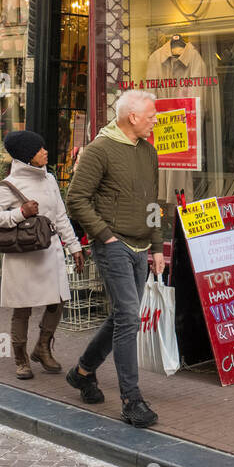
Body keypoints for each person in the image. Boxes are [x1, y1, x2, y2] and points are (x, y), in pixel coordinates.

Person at [65, 90, 164, 428]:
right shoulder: (99, 150)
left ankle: (82, 372)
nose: (155, 120)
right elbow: (76, 198)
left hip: (140, 245)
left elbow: (153, 203)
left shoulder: (149, 152)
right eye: (151, 116)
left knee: (125, 315)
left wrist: (158, 247)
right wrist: (104, 235)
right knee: (127, 317)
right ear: (132, 117)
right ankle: (131, 401)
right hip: (114, 244)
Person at [0, 131, 85, 380]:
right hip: (22, 255)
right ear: (28, 155)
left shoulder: (49, 179)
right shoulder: (11, 184)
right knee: (22, 307)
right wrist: (20, 213)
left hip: (49, 252)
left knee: (58, 300)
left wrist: (74, 246)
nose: (45, 152)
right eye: (40, 149)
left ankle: (42, 347)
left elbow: (60, 216)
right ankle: (20, 358)